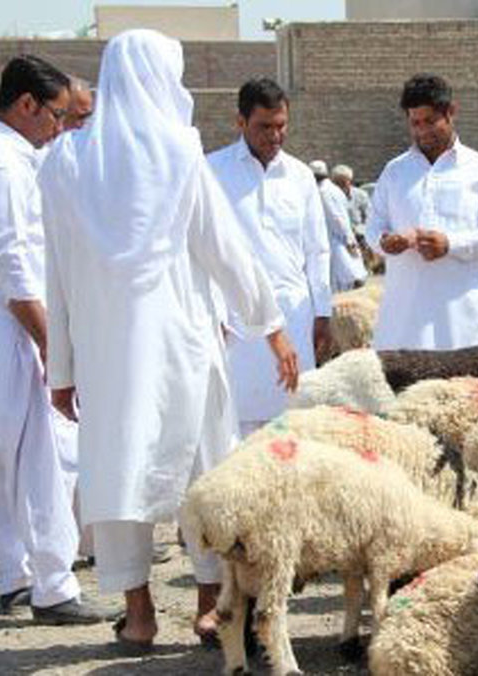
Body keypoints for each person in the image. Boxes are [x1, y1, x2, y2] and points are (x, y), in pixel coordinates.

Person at [38, 30, 299, 649]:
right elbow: (226, 251)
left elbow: (58, 274)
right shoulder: (180, 154)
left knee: (119, 470)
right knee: (204, 472)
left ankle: (139, 613)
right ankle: (210, 607)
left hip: (108, 355)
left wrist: (63, 368)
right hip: (183, 346)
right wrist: (272, 326)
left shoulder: (65, 161)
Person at [0, 54, 114, 625]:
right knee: (43, 463)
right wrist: (51, 345)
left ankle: (8, 574)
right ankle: (53, 587)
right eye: (55, 116)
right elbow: (16, 267)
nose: (60, 128)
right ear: (26, 106)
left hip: (12, 331)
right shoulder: (11, 166)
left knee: (8, 464)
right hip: (16, 334)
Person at [207, 78, 332, 437]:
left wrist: (322, 310)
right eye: (264, 126)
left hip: (293, 314)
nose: (274, 136)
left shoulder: (301, 176)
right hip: (232, 319)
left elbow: (317, 248)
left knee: (294, 419)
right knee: (233, 421)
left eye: (281, 126)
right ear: (240, 122)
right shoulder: (211, 171)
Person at [366, 74, 478, 350]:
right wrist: (387, 241)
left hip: (463, 318)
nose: (423, 131)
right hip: (404, 321)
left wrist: (450, 244)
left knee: (465, 389)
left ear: (450, 112)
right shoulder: (395, 172)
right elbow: (373, 229)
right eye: (415, 123)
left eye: (430, 121)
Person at [313, 160, 367, 292]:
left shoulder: (323, 192)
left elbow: (336, 217)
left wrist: (348, 239)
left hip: (335, 240)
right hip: (341, 237)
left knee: (341, 279)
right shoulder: (333, 189)